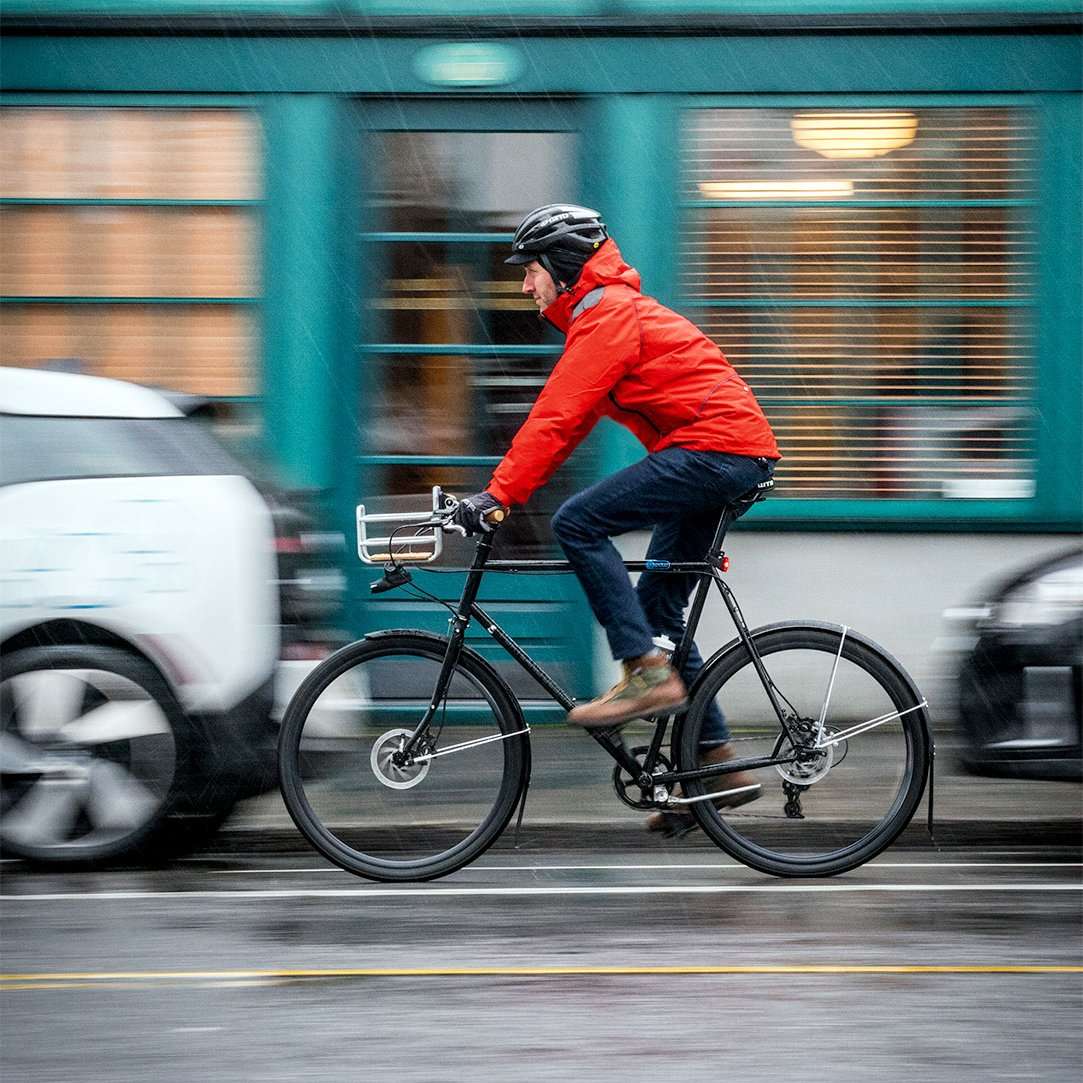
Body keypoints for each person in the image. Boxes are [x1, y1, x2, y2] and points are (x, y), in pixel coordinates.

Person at [451, 204, 780, 828]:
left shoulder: (608, 316)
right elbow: (562, 419)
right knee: (659, 610)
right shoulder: (600, 315)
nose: (525, 284)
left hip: (719, 452)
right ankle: (716, 767)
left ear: (563, 266)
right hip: (723, 454)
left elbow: (557, 418)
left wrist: (497, 496)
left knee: (577, 521)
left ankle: (642, 673)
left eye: (531, 270)